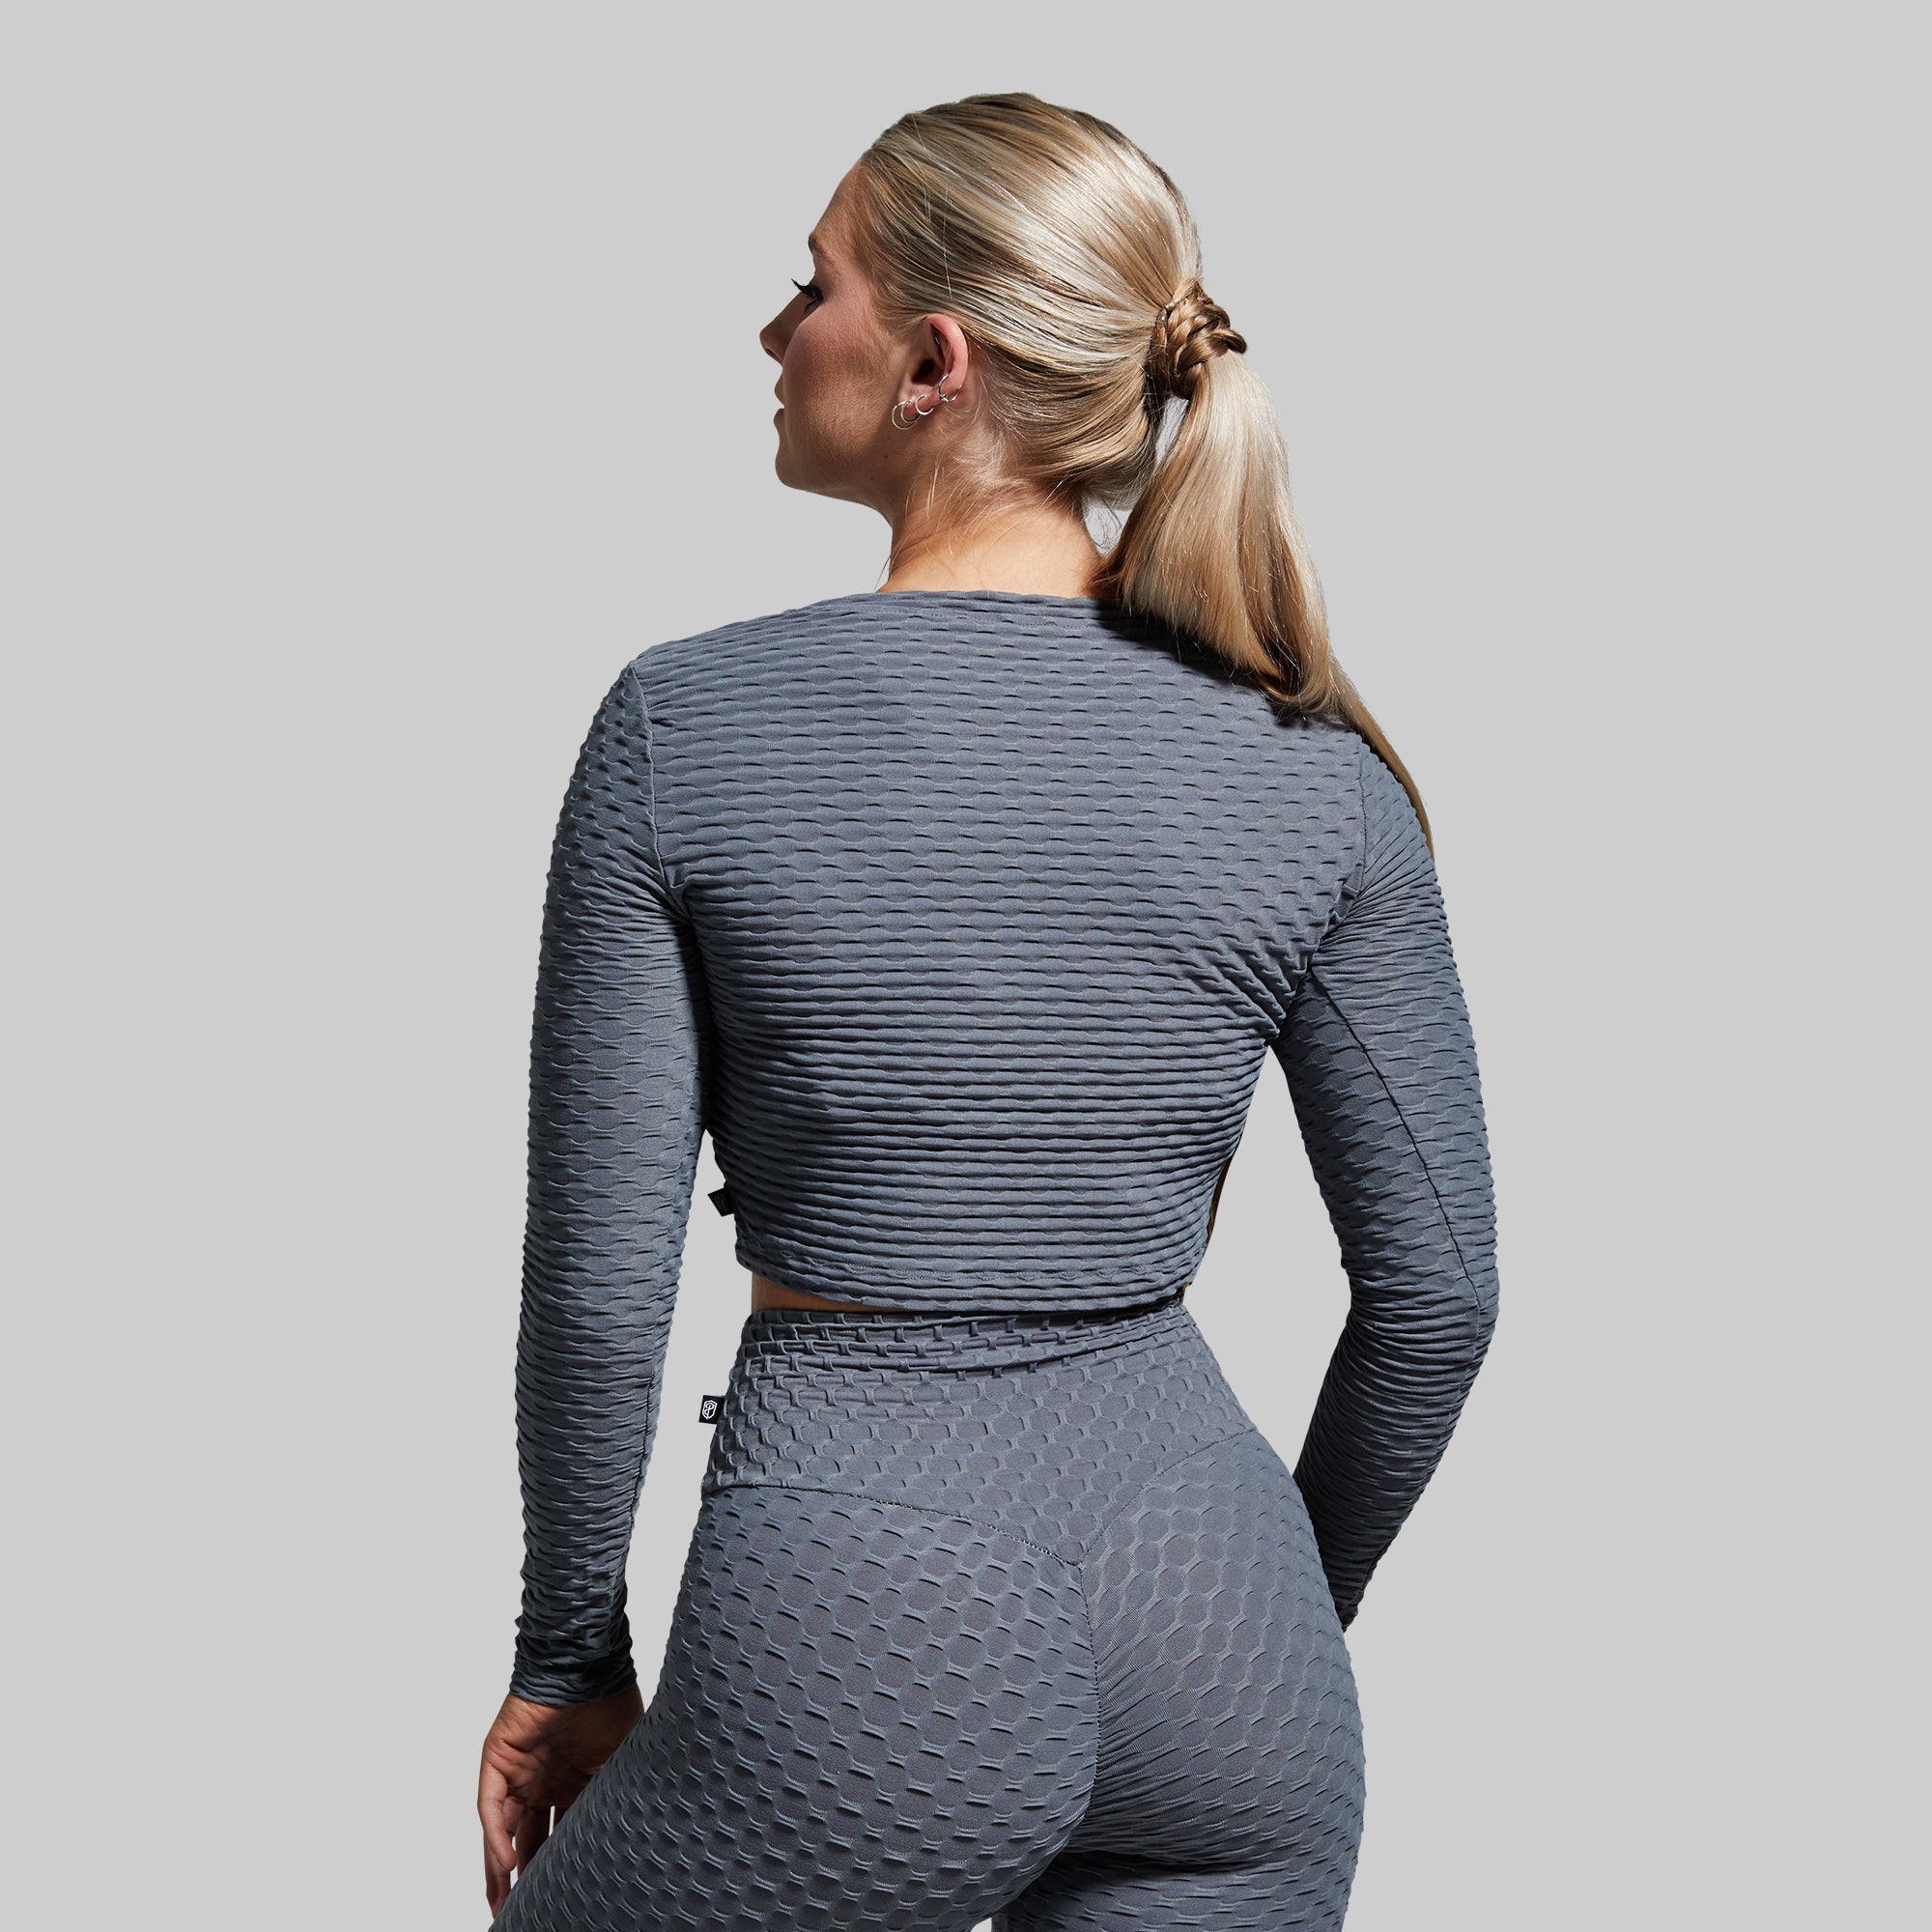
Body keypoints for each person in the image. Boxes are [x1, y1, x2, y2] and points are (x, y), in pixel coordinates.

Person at [476, 91, 1497, 1931]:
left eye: (814, 287)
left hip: (867, 1610)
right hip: (1224, 1610)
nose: (777, 332)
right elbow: (1439, 1299)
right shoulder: (1318, 766)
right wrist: (1277, 1622)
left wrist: (566, 1654)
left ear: (934, 362)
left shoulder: (684, 731)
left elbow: (600, 1287)